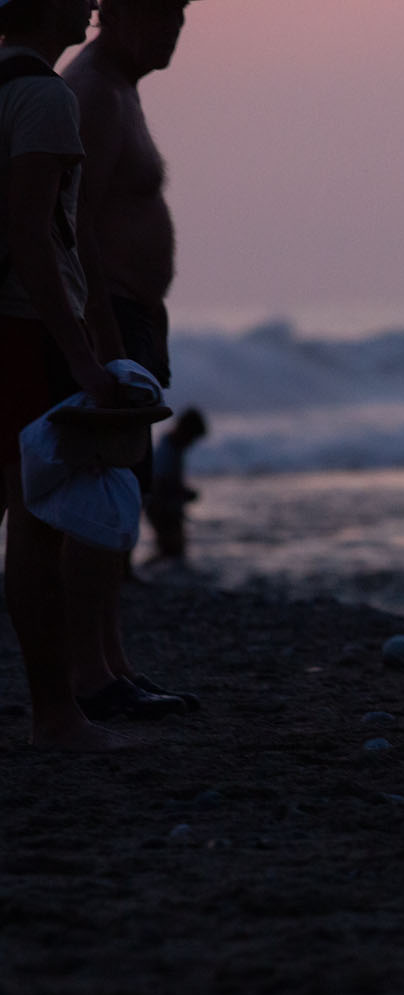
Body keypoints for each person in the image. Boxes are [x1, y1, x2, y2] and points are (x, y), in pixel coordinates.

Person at [0, 0, 132, 749]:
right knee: (37, 522)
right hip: (22, 331)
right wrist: (81, 353)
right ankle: (57, 714)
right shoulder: (47, 97)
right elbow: (31, 236)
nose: (89, 2)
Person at [62, 0, 198, 717]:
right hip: (108, 320)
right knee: (100, 500)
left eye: (180, 13)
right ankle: (91, 674)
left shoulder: (121, 89)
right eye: (160, 13)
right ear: (113, 14)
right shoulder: (90, 92)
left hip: (132, 317)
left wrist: (153, 318)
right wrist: (109, 351)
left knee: (125, 496)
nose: (174, 27)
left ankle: (112, 662)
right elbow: (72, 226)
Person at [143, 403, 203, 560]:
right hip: (163, 509)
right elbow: (160, 483)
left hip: (165, 508)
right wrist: (183, 493)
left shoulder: (173, 448)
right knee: (170, 551)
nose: (192, 443)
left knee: (170, 551)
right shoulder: (168, 449)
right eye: (192, 437)